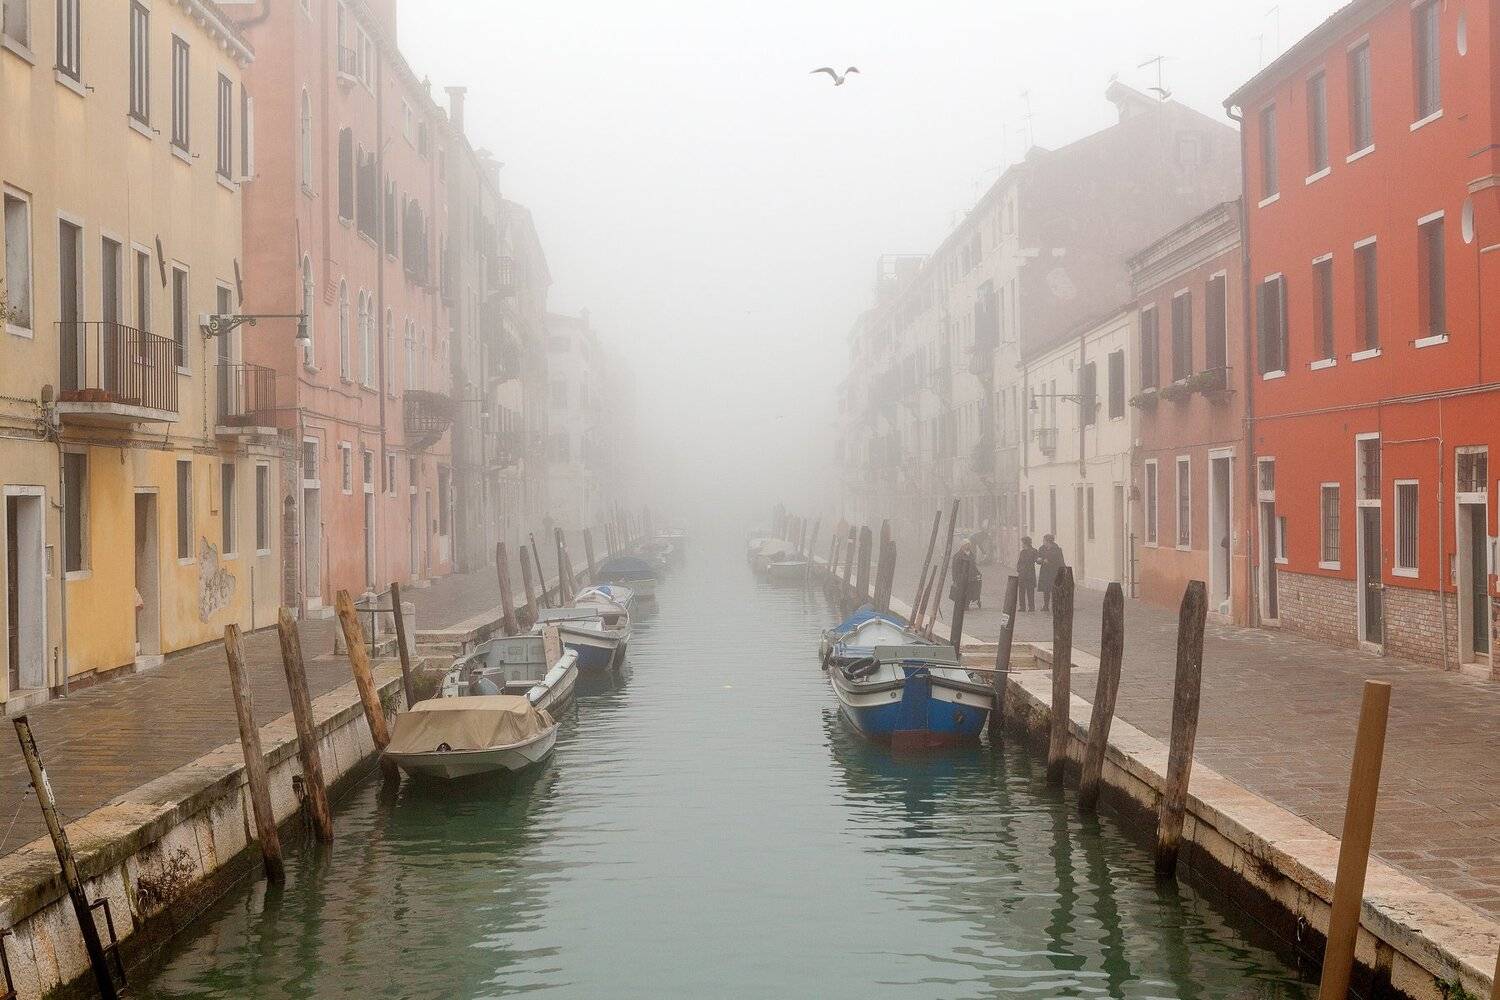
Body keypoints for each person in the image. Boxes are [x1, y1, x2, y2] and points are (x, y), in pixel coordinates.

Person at [950, 540, 983, 611]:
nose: (968, 546)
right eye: (966, 545)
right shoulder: (957, 556)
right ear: (962, 546)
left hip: (971, 577)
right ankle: (963, 605)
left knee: (969, 591)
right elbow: (954, 568)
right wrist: (955, 579)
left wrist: (978, 573)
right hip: (962, 578)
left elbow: (973, 566)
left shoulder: (971, 554)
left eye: (968, 545)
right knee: (962, 592)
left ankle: (966, 604)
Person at [1038, 534, 1065, 612]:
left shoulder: (1057, 549)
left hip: (1054, 572)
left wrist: (1050, 562)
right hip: (1045, 572)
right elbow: (1039, 558)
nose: (1043, 542)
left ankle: (1055, 605)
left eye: (1044, 540)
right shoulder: (1042, 548)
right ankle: (1046, 606)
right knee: (1046, 589)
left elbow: (1060, 561)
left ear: (1048, 541)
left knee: (1054, 589)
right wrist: (1040, 560)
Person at [1016, 536, 1038, 612]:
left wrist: (1040, 560)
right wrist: (1019, 569)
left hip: (1030, 574)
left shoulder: (1034, 551)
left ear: (1025, 543)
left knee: (1030, 591)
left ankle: (1031, 607)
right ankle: (1022, 607)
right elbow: (1019, 562)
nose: (1022, 544)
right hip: (1022, 574)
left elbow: (1037, 560)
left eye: (1022, 542)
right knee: (1021, 591)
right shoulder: (1022, 552)